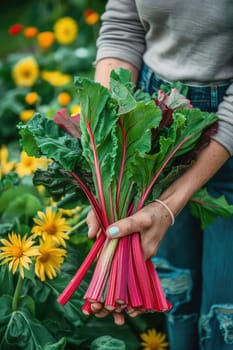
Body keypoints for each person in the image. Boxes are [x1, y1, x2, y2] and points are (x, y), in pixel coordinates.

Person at [86, 1, 233, 349]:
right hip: (151, 117)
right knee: (176, 294)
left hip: (228, 137)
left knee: (224, 320)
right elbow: (123, 27)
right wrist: (109, 182)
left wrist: (166, 206)